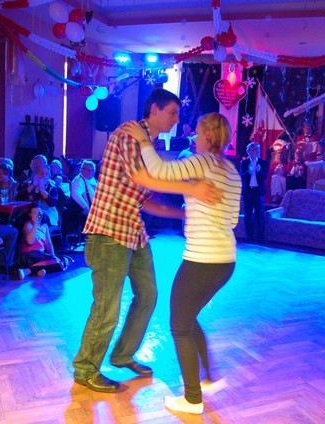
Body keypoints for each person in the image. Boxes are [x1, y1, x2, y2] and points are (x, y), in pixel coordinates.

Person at [72, 88, 221, 394]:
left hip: (133, 232)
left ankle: (123, 354)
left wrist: (182, 214)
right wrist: (191, 188)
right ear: (154, 109)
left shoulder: (148, 145)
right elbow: (143, 178)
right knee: (107, 306)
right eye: (172, 113)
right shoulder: (129, 135)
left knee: (148, 296)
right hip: (109, 233)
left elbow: (145, 199)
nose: (177, 120)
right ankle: (85, 368)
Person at [125, 112, 240, 414]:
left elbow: (159, 170)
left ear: (208, 136)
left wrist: (143, 142)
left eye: (198, 133)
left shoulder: (202, 162)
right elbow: (231, 220)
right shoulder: (231, 171)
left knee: (179, 326)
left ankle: (192, 399)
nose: (194, 137)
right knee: (188, 318)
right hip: (226, 260)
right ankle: (209, 379)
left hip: (202, 259)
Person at [16, 203, 71, 279]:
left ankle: (39, 270)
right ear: (30, 215)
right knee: (57, 262)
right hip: (29, 255)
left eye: (39, 212)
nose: (38, 215)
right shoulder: (28, 225)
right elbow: (30, 242)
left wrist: (52, 255)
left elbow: (48, 243)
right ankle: (27, 271)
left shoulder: (44, 226)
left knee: (66, 260)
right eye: (35, 213)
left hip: (41, 254)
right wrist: (35, 224)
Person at [240, 142, 268, 243]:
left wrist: (259, 171)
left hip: (258, 192)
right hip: (248, 192)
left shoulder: (263, 162)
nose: (252, 152)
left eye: (254, 150)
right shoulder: (244, 163)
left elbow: (264, 177)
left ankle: (259, 237)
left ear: (258, 151)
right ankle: (249, 237)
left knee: (259, 214)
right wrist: (249, 172)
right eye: (250, 150)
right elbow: (242, 176)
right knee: (248, 215)